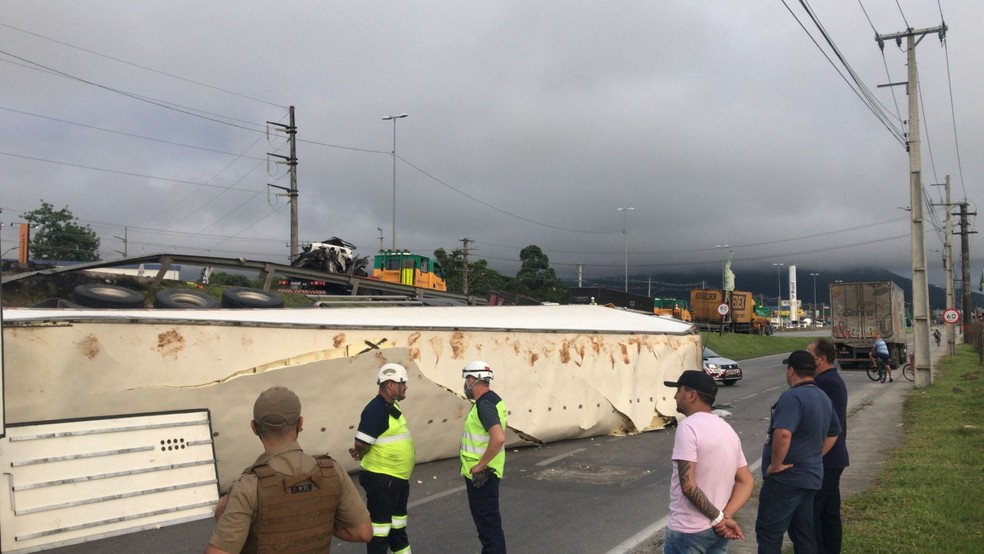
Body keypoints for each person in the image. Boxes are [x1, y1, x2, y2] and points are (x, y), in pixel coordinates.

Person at [206, 386, 371, 553]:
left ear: (254, 427)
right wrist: (316, 523)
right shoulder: (332, 471)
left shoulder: (248, 487)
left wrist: (222, 518)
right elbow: (363, 532)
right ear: (300, 423)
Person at [755, 351, 841, 554]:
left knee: (769, 533)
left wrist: (776, 465)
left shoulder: (792, 397)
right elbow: (834, 432)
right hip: (810, 477)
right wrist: (816, 455)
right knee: (803, 534)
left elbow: (783, 433)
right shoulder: (822, 396)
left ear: (791, 370)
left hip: (786, 479)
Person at [663, 370, 754, 553]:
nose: (674, 396)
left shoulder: (688, 427)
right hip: (716, 532)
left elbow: (688, 485)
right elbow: (747, 481)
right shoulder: (727, 429)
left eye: (678, 390)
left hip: (688, 531)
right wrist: (725, 515)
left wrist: (719, 518)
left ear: (692, 395)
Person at [349, 363, 416, 554]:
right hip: (382, 479)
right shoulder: (375, 409)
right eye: (403, 383)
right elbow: (361, 443)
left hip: (396, 479)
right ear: (390, 385)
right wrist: (360, 453)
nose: (406, 387)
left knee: (397, 529)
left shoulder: (391, 406)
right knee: (380, 532)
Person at [460, 360, 508, 554]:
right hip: (488, 474)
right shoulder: (492, 400)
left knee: (488, 529)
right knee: (489, 527)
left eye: (466, 380)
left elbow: (498, 438)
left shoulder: (484, 405)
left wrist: (480, 465)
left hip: (483, 476)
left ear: (472, 379)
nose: (465, 385)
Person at [808, 338, 849, 554]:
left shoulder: (824, 383)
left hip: (826, 457)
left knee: (813, 513)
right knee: (829, 511)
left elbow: (822, 424)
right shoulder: (833, 380)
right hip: (835, 456)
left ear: (821, 359)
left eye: (809, 357)